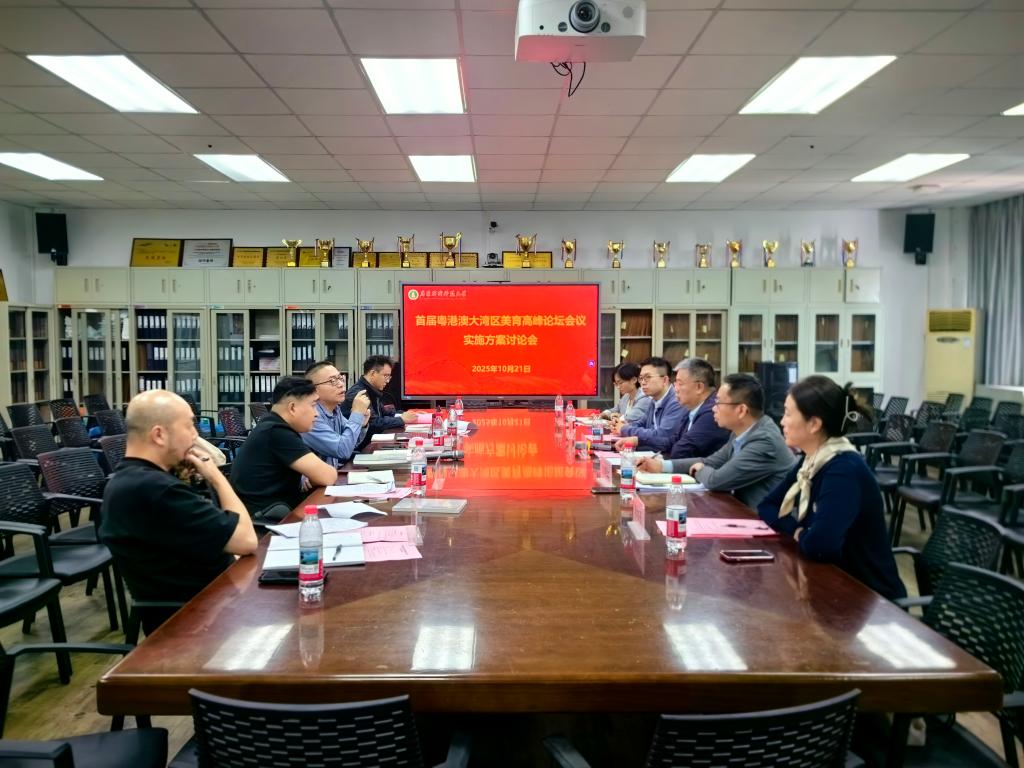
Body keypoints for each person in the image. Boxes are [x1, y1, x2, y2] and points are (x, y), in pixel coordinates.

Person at [100, 390, 258, 633]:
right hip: (197, 621)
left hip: (213, 602)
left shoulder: (136, 479)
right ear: (159, 435)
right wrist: (216, 477)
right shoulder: (156, 489)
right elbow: (246, 540)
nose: (195, 436)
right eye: (189, 426)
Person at [757, 376, 906, 601]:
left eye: (788, 413)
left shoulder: (843, 470)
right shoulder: (811, 460)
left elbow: (820, 546)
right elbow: (767, 506)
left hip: (869, 597)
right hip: (832, 579)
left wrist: (799, 533)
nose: (782, 421)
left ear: (814, 424)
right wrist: (798, 532)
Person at [638, 373, 794, 509]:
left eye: (718, 403)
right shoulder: (742, 432)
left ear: (741, 410)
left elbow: (716, 480)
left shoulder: (764, 441)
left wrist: (699, 470)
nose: (713, 408)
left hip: (766, 526)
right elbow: (711, 461)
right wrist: (661, 466)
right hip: (739, 513)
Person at [230, 376, 338, 520]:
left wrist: (314, 477)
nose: (316, 414)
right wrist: (316, 476)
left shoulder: (271, 426)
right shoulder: (277, 432)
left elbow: (320, 476)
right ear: (292, 407)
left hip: (274, 511)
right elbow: (328, 476)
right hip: (268, 521)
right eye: (313, 406)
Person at [302, 360, 370, 467]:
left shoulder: (335, 410)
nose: (341, 384)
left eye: (340, 378)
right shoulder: (310, 416)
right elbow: (342, 451)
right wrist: (356, 414)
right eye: (332, 381)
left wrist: (361, 425)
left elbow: (351, 443)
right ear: (313, 390)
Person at [612, 357, 685, 453]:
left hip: (668, 456)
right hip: (653, 453)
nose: (643, 382)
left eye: (648, 377)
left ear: (664, 380)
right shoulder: (654, 400)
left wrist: (625, 429)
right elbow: (642, 423)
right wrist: (623, 425)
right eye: (641, 378)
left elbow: (662, 435)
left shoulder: (676, 401)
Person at [343, 355, 417, 446]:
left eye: (389, 377)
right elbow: (373, 423)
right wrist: (401, 419)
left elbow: (384, 413)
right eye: (385, 376)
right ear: (373, 373)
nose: (388, 381)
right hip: (360, 447)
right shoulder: (359, 393)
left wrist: (406, 414)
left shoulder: (372, 390)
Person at [665, 358, 730, 460]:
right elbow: (674, 441)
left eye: (680, 384)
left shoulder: (712, 412)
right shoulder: (691, 408)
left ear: (699, 387)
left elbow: (681, 451)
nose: (675, 389)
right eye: (675, 383)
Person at [600, 362, 651, 426]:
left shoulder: (645, 397)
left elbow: (630, 418)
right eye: (616, 384)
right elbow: (614, 410)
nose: (618, 387)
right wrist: (606, 413)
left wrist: (619, 416)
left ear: (634, 380)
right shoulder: (626, 396)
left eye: (620, 383)